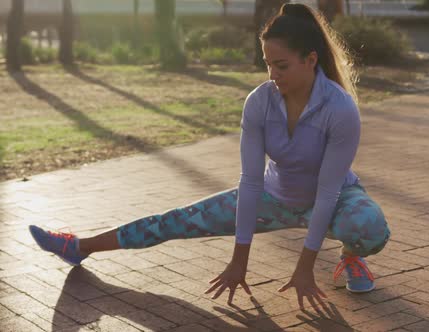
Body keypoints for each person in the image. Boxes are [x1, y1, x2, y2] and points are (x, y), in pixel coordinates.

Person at [29, 3, 390, 311]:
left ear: (311, 60)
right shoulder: (260, 102)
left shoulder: (339, 108)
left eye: (281, 65)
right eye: (267, 63)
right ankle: (79, 247)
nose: (271, 74)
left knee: (367, 226)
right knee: (174, 221)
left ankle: (351, 255)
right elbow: (250, 181)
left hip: (332, 199)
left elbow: (328, 190)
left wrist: (306, 266)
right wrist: (239, 261)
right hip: (272, 196)